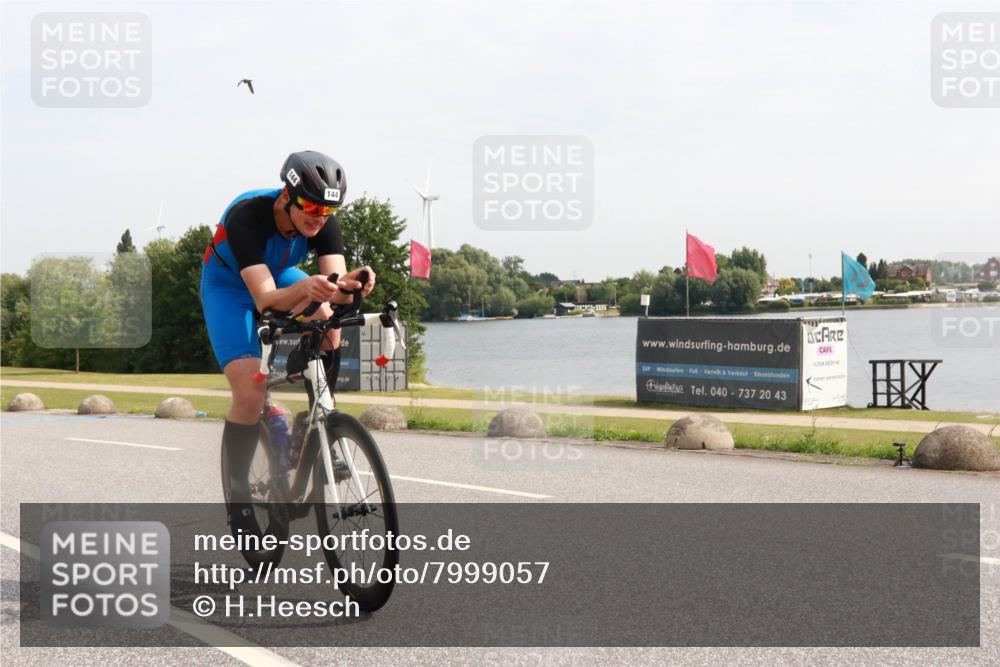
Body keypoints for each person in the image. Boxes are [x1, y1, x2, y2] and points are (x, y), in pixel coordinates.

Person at [199, 150, 375, 530]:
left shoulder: (324, 223)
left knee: (330, 325)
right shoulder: (248, 216)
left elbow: (336, 290)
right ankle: (238, 495)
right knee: (250, 393)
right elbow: (265, 301)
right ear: (286, 197)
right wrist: (311, 290)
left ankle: (317, 419)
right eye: (310, 206)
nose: (317, 217)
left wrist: (354, 284)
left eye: (326, 211)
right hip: (229, 288)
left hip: (278, 274)